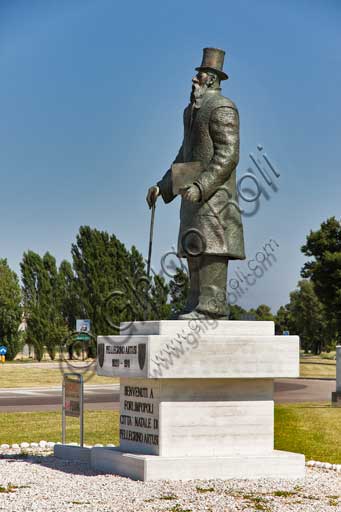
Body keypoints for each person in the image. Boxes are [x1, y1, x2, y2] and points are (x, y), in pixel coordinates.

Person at [147, 48, 245, 319]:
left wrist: (201, 186)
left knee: (212, 248)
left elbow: (228, 155)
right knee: (194, 247)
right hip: (191, 198)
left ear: (211, 79)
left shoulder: (223, 107)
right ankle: (195, 304)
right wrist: (163, 186)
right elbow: (184, 156)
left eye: (199, 75)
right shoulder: (189, 112)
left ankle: (212, 306)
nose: (194, 80)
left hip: (215, 198)